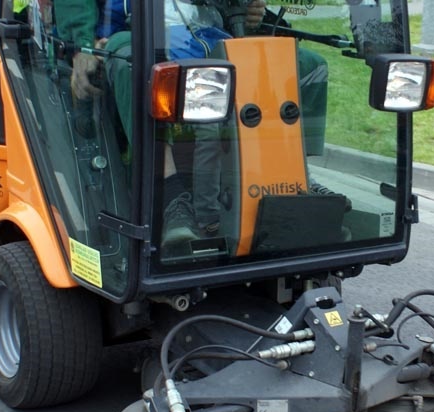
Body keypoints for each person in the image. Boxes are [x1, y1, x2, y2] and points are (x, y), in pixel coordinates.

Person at [57, 0, 336, 244]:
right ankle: (171, 199)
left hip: (206, 37)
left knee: (311, 65)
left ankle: (298, 176)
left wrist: (251, 11)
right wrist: (80, 44)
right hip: (132, 33)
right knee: (135, 60)